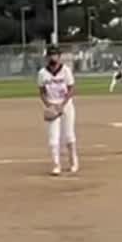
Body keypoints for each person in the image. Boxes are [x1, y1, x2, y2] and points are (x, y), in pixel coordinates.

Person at [38, 46, 78, 176]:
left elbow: (71, 89)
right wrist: (49, 105)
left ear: (59, 56)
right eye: (50, 55)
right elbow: (42, 92)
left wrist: (63, 104)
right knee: (53, 137)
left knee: (68, 134)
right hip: (52, 105)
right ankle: (56, 165)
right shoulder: (42, 73)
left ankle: (73, 162)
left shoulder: (66, 71)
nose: (52, 57)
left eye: (55, 55)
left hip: (66, 105)